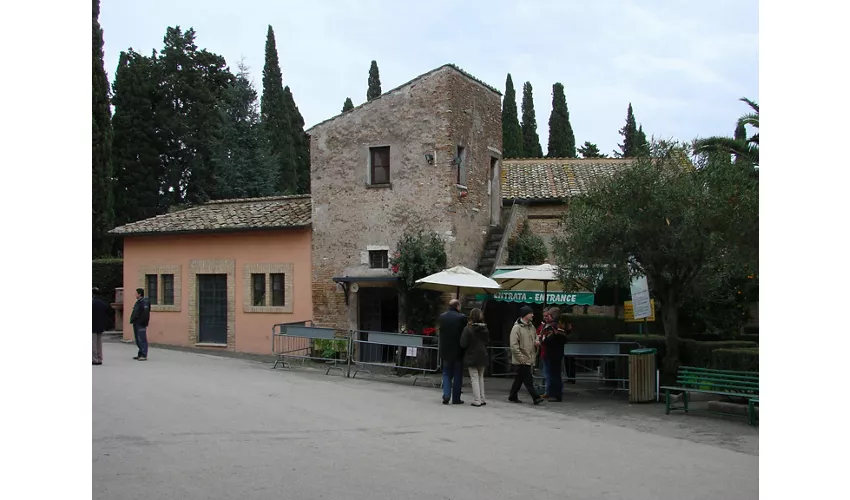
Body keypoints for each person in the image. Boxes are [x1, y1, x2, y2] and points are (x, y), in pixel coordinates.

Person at [508, 305, 544, 405]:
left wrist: (537, 342)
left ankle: (512, 395)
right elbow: (514, 345)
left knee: (519, 379)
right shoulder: (517, 328)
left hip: (529, 356)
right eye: (530, 313)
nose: (532, 315)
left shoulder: (531, 326)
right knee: (528, 380)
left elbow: (535, 336)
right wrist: (520, 357)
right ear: (525, 315)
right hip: (522, 359)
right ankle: (536, 397)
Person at [438, 299, 467, 404]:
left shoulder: (442, 317)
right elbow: (464, 333)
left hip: (445, 350)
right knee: (457, 375)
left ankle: (446, 395)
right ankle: (456, 398)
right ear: (457, 306)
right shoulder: (462, 318)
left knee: (446, 373)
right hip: (458, 350)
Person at [459, 308, 489, 407]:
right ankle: (482, 398)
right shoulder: (485, 328)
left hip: (471, 355)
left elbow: (463, 343)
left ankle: (477, 400)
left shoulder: (468, 329)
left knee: (474, 378)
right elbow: (487, 341)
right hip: (482, 354)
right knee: (480, 377)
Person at [542, 307, 568, 401]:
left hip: (553, 354)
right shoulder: (560, 326)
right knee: (555, 374)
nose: (547, 317)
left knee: (554, 375)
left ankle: (556, 395)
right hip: (557, 353)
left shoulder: (554, 327)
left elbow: (551, 340)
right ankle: (555, 394)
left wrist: (544, 339)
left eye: (549, 315)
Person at [129, 288, 151, 361]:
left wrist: (143, 322)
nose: (135, 294)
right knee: (138, 339)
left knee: (142, 339)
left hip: (140, 323)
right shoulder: (138, 302)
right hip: (136, 322)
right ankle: (140, 353)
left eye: (136, 293)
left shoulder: (144, 302)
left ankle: (144, 355)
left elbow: (145, 313)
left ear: (139, 294)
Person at [92, 287, 111, 365]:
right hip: (100, 325)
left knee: (93, 343)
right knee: (99, 343)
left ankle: (94, 359)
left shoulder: (92, 303)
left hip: (92, 325)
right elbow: (107, 313)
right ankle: (100, 358)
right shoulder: (103, 303)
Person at [537, 308, 552, 397]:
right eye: (544, 316)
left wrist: (542, 337)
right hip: (544, 352)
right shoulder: (543, 326)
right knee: (546, 372)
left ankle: (548, 391)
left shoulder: (551, 326)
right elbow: (537, 333)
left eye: (547, 316)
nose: (545, 317)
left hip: (549, 352)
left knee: (548, 373)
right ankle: (547, 390)